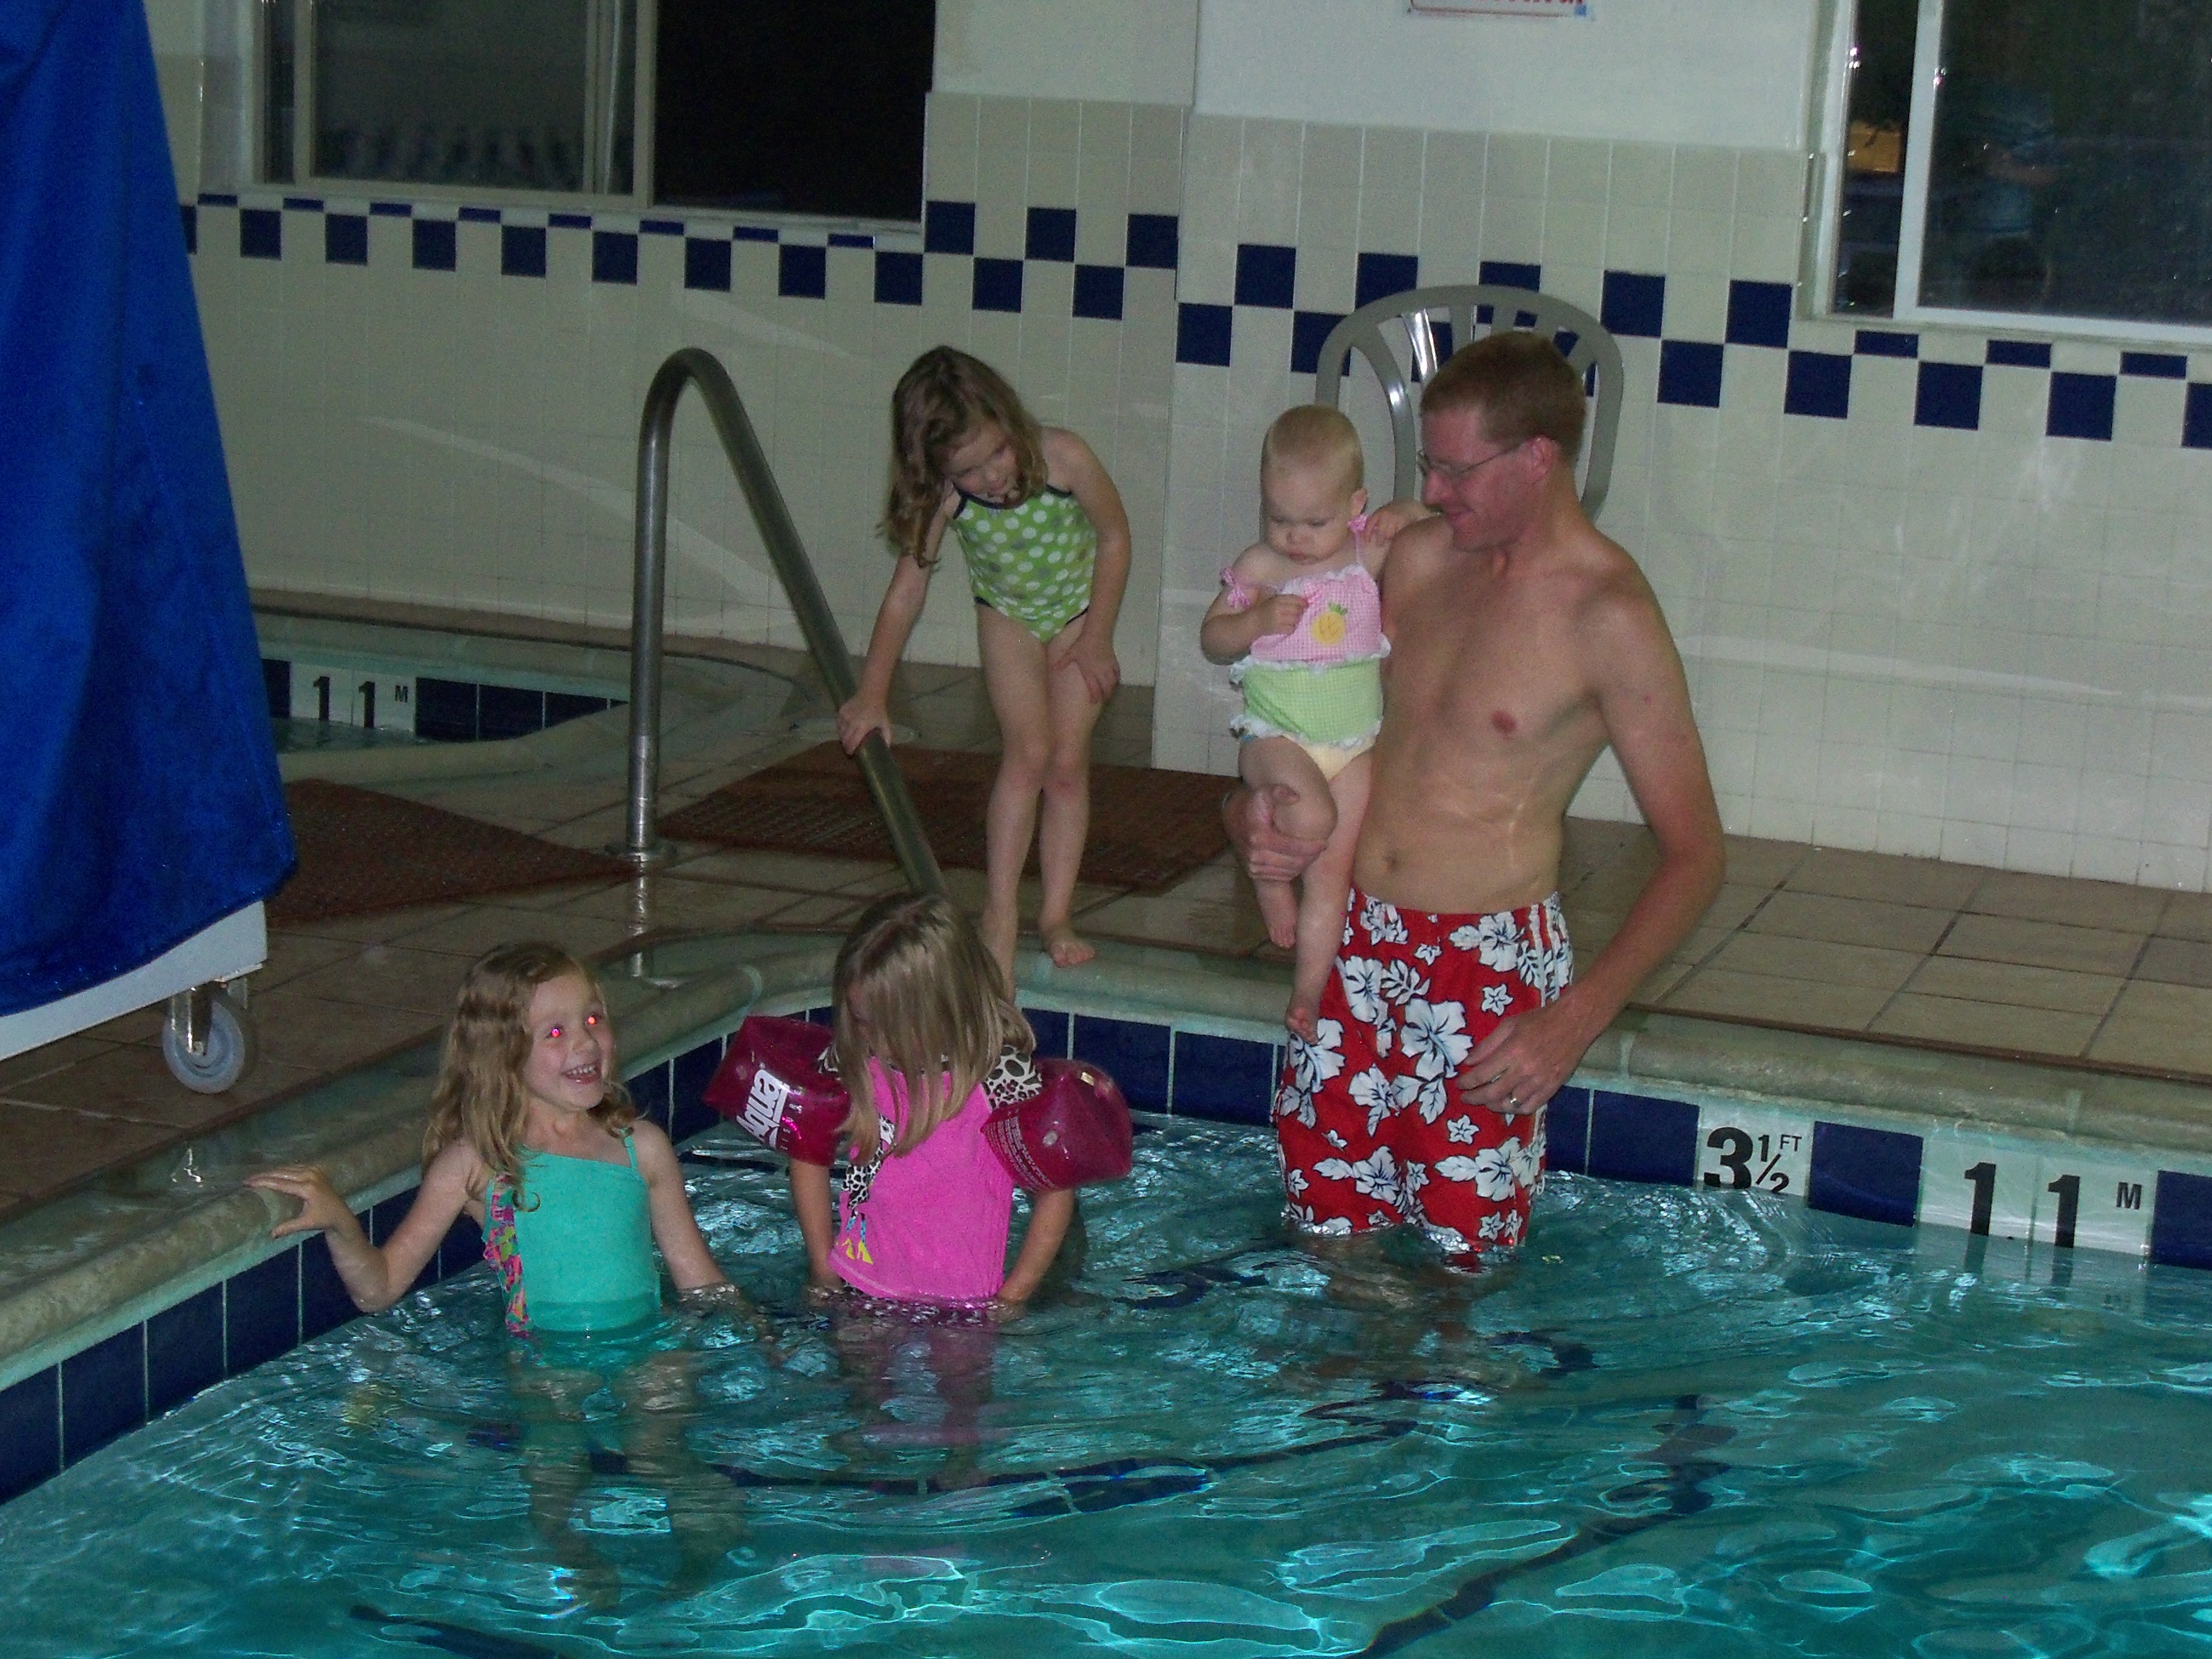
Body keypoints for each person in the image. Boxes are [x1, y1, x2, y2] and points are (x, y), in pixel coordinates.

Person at [1230, 333, 1724, 1259]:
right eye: (1429, 465)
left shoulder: (1607, 616)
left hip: (1485, 967)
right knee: (1327, 1233)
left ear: (1538, 458)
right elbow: (1304, 722)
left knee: (1467, 1265)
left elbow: (1697, 854)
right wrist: (1251, 820)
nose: (1436, 490)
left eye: (1457, 470)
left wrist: (1576, 1019)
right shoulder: (1415, 563)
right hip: (1355, 943)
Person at [248, 942, 748, 1601]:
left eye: (594, 1020)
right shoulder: (478, 1165)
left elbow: (697, 1279)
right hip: (544, 1358)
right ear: (501, 1054)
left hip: (647, 1346)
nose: (586, 1044)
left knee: (665, 1456)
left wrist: (757, 1330)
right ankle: (581, 1569)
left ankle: (705, 1576)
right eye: (556, 1031)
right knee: (554, 1482)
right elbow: (379, 1288)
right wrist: (341, 1220)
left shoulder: (641, 1148)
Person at [838, 347, 1133, 978]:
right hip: (1008, 616)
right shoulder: (947, 497)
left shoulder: (1065, 457)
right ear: (938, 468)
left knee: (1065, 764)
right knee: (1025, 755)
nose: (995, 476)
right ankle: (1000, 909)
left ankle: (1056, 912)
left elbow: (1114, 536)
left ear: (1012, 420)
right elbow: (907, 590)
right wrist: (873, 692)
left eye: (999, 452)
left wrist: (1099, 636)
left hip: (1081, 614)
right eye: (970, 471)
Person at [788, 891, 1078, 1314]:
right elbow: (807, 1151)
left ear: (945, 1009)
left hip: (965, 1299)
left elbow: (1056, 1190)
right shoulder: (854, 1057)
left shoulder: (998, 1075)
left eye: (891, 1027)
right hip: (862, 1284)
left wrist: (1013, 1297)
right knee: (861, 1378)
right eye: (862, 1021)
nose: (873, 1039)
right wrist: (822, 1265)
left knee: (962, 1380)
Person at [1201, 406, 1393, 1041]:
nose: (1295, 537)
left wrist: (1411, 516)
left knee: (1334, 874)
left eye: (1315, 521)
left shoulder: (1367, 557)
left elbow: (1428, 532)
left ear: (1356, 505)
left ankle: (1309, 989)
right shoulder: (1261, 569)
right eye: (1279, 518)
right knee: (1312, 820)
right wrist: (1253, 623)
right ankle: (1270, 877)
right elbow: (1214, 637)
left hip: (1353, 746)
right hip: (1275, 737)